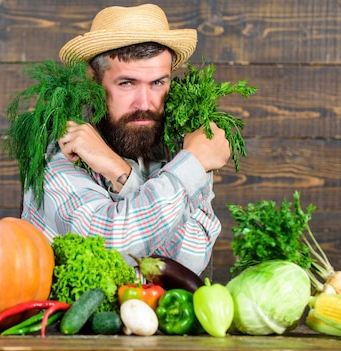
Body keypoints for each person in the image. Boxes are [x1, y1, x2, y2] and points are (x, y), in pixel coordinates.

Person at [21, 4, 231, 276]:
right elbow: (112, 245)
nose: (144, 104)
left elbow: (189, 260)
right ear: (92, 81)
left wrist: (119, 171)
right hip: (69, 318)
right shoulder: (57, 149)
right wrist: (190, 168)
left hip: (159, 317)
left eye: (157, 83)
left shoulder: (185, 148)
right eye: (126, 83)